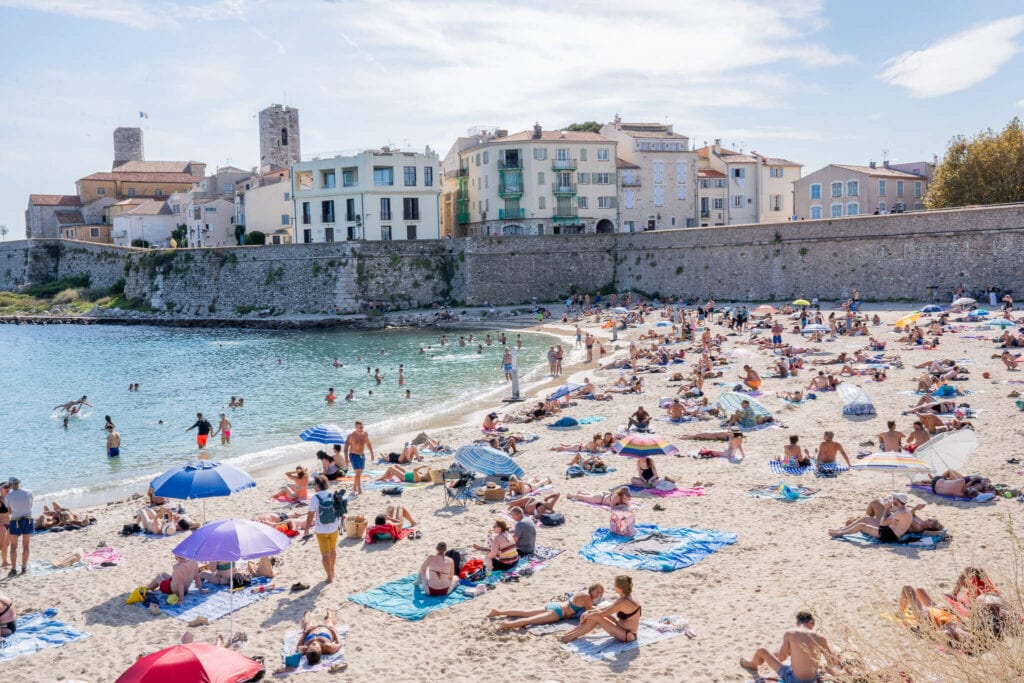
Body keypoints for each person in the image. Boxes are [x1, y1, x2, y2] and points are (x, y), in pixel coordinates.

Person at [740, 611, 837, 683]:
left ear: (798, 623)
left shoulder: (790, 633)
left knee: (762, 651)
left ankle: (752, 665)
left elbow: (782, 658)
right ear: (811, 623)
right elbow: (832, 661)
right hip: (813, 678)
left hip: (793, 679)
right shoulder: (821, 638)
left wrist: (791, 651)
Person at [560, 575, 641, 644]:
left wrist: (587, 615)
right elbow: (605, 609)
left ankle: (568, 637)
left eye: (614, 584)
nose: (613, 586)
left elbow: (602, 614)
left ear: (620, 587)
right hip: (621, 627)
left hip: (627, 635)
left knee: (596, 617)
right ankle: (568, 634)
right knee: (594, 614)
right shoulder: (627, 596)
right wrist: (590, 611)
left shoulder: (623, 602)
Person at [489, 584, 605, 631]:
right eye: (597, 591)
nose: (598, 594)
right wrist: (603, 610)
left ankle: (498, 612)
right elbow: (590, 610)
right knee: (530, 621)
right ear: (592, 589)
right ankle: (506, 624)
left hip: (556, 605)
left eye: (600, 593)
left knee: (526, 612)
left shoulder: (582, 592)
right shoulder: (587, 598)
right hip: (558, 613)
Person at [828, 493, 913, 542]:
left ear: (898, 501)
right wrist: (887, 506)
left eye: (894, 498)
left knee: (862, 525)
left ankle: (840, 533)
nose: (892, 499)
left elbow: (882, 523)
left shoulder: (900, 513)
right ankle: (841, 529)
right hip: (890, 530)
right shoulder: (904, 509)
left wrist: (886, 508)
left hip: (890, 536)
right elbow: (893, 518)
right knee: (866, 519)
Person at [304, 476, 340, 584]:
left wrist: (306, 528)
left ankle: (329, 577)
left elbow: (310, 515)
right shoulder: (332, 494)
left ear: (318, 485)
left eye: (314, 484)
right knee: (333, 550)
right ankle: (332, 570)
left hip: (321, 531)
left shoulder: (315, 498)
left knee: (325, 555)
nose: (313, 486)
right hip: (334, 528)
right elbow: (338, 509)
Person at [5, 477, 33, 577]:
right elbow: (30, 506)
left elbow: (10, 511)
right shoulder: (29, 492)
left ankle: (13, 569)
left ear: (10, 485)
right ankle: (24, 567)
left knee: (13, 546)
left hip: (15, 521)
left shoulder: (8, 496)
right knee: (26, 545)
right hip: (28, 519)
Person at [344, 420, 374, 495]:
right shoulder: (351, 436)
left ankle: (354, 486)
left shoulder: (365, 434)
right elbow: (346, 447)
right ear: (356, 427)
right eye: (360, 428)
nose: (362, 429)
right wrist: (346, 458)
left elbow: (368, 443)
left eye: (362, 427)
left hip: (361, 455)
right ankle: (359, 489)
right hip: (353, 455)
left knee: (359, 472)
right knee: (358, 471)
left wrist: (372, 453)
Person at [0, 482, 10, 570]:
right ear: (0, 489)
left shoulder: (10, 499)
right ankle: (4, 562)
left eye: (8, 487)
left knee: (6, 544)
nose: (7, 489)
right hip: (1, 525)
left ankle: (5, 561)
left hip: (9, 524)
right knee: (2, 544)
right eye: (5, 487)